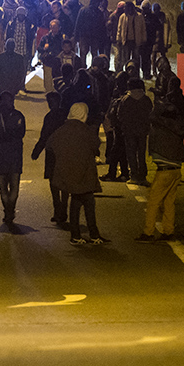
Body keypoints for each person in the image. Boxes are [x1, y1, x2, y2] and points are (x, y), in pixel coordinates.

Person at [46, 103, 107, 245]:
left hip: (68, 171)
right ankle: (92, 234)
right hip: (85, 171)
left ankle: (77, 235)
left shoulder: (62, 130)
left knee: (76, 201)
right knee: (88, 202)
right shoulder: (85, 130)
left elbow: (50, 145)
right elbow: (95, 145)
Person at [137, 95, 184, 242]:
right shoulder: (179, 126)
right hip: (176, 169)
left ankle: (148, 232)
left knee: (153, 202)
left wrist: (161, 104)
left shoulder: (159, 123)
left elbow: (152, 115)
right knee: (169, 202)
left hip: (164, 169)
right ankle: (168, 231)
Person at [0, 92, 27, 228]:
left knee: (3, 186)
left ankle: (7, 210)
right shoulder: (18, 115)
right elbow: (21, 133)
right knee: (14, 186)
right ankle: (11, 209)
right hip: (15, 153)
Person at [31, 91, 69, 225]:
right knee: (63, 181)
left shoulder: (51, 116)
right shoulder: (65, 115)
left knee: (54, 182)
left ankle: (58, 210)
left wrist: (37, 150)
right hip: (64, 151)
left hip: (53, 151)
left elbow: (44, 135)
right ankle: (61, 209)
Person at [116, 79, 153, 187]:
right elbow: (150, 114)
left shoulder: (126, 99)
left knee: (131, 154)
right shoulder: (146, 99)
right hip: (142, 130)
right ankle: (143, 176)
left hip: (129, 131)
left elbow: (120, 115)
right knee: (141, 154)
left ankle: (134, 176)